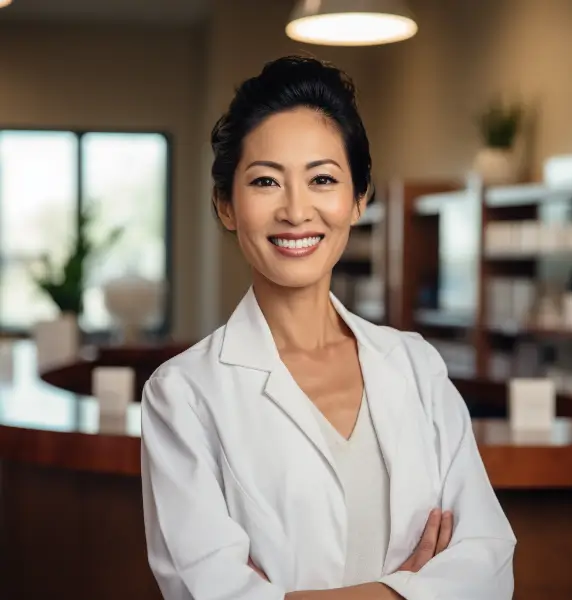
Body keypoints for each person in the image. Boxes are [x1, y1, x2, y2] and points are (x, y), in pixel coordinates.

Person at [141, 56, 516, 600]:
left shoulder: (415, 365)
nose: (297, 210)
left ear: (358, 199)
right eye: (266, 181)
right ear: (226, 205)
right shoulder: (183, 394)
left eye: (322, 179)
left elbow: (489, 568)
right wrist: (408, 588)